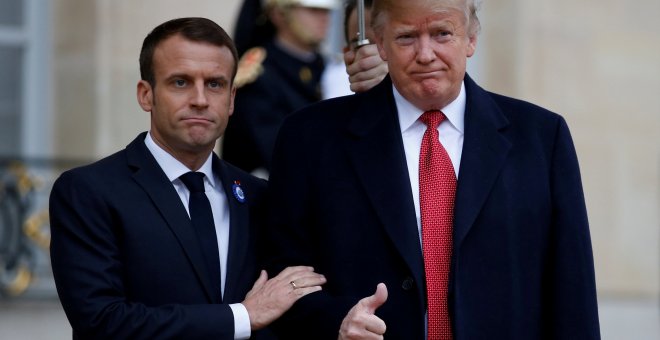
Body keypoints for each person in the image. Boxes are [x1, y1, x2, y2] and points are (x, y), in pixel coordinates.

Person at [264, 0, 601, 338]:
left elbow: (572, 289)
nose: (425, 54)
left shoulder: (541, 137)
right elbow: (283, 277)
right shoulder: (310, 138)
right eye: (407, 37)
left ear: (470, 39)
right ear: (380, 42)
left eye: (442, 34)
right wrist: (336, 320)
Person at [49, 17, 326, 339]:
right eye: (180, 82)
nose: (200, 99)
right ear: (146, 95)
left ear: (232, 99)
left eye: (215, 84)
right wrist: (242, 317)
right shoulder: (89, 192)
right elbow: (102, 322)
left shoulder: (258, 196)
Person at [222, 0, 337, 176]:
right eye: (313, 10)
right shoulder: (259, 75)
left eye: (326, 11)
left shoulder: (330, 67)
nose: (324, 18)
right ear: (279, 14)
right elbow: (277, 153)